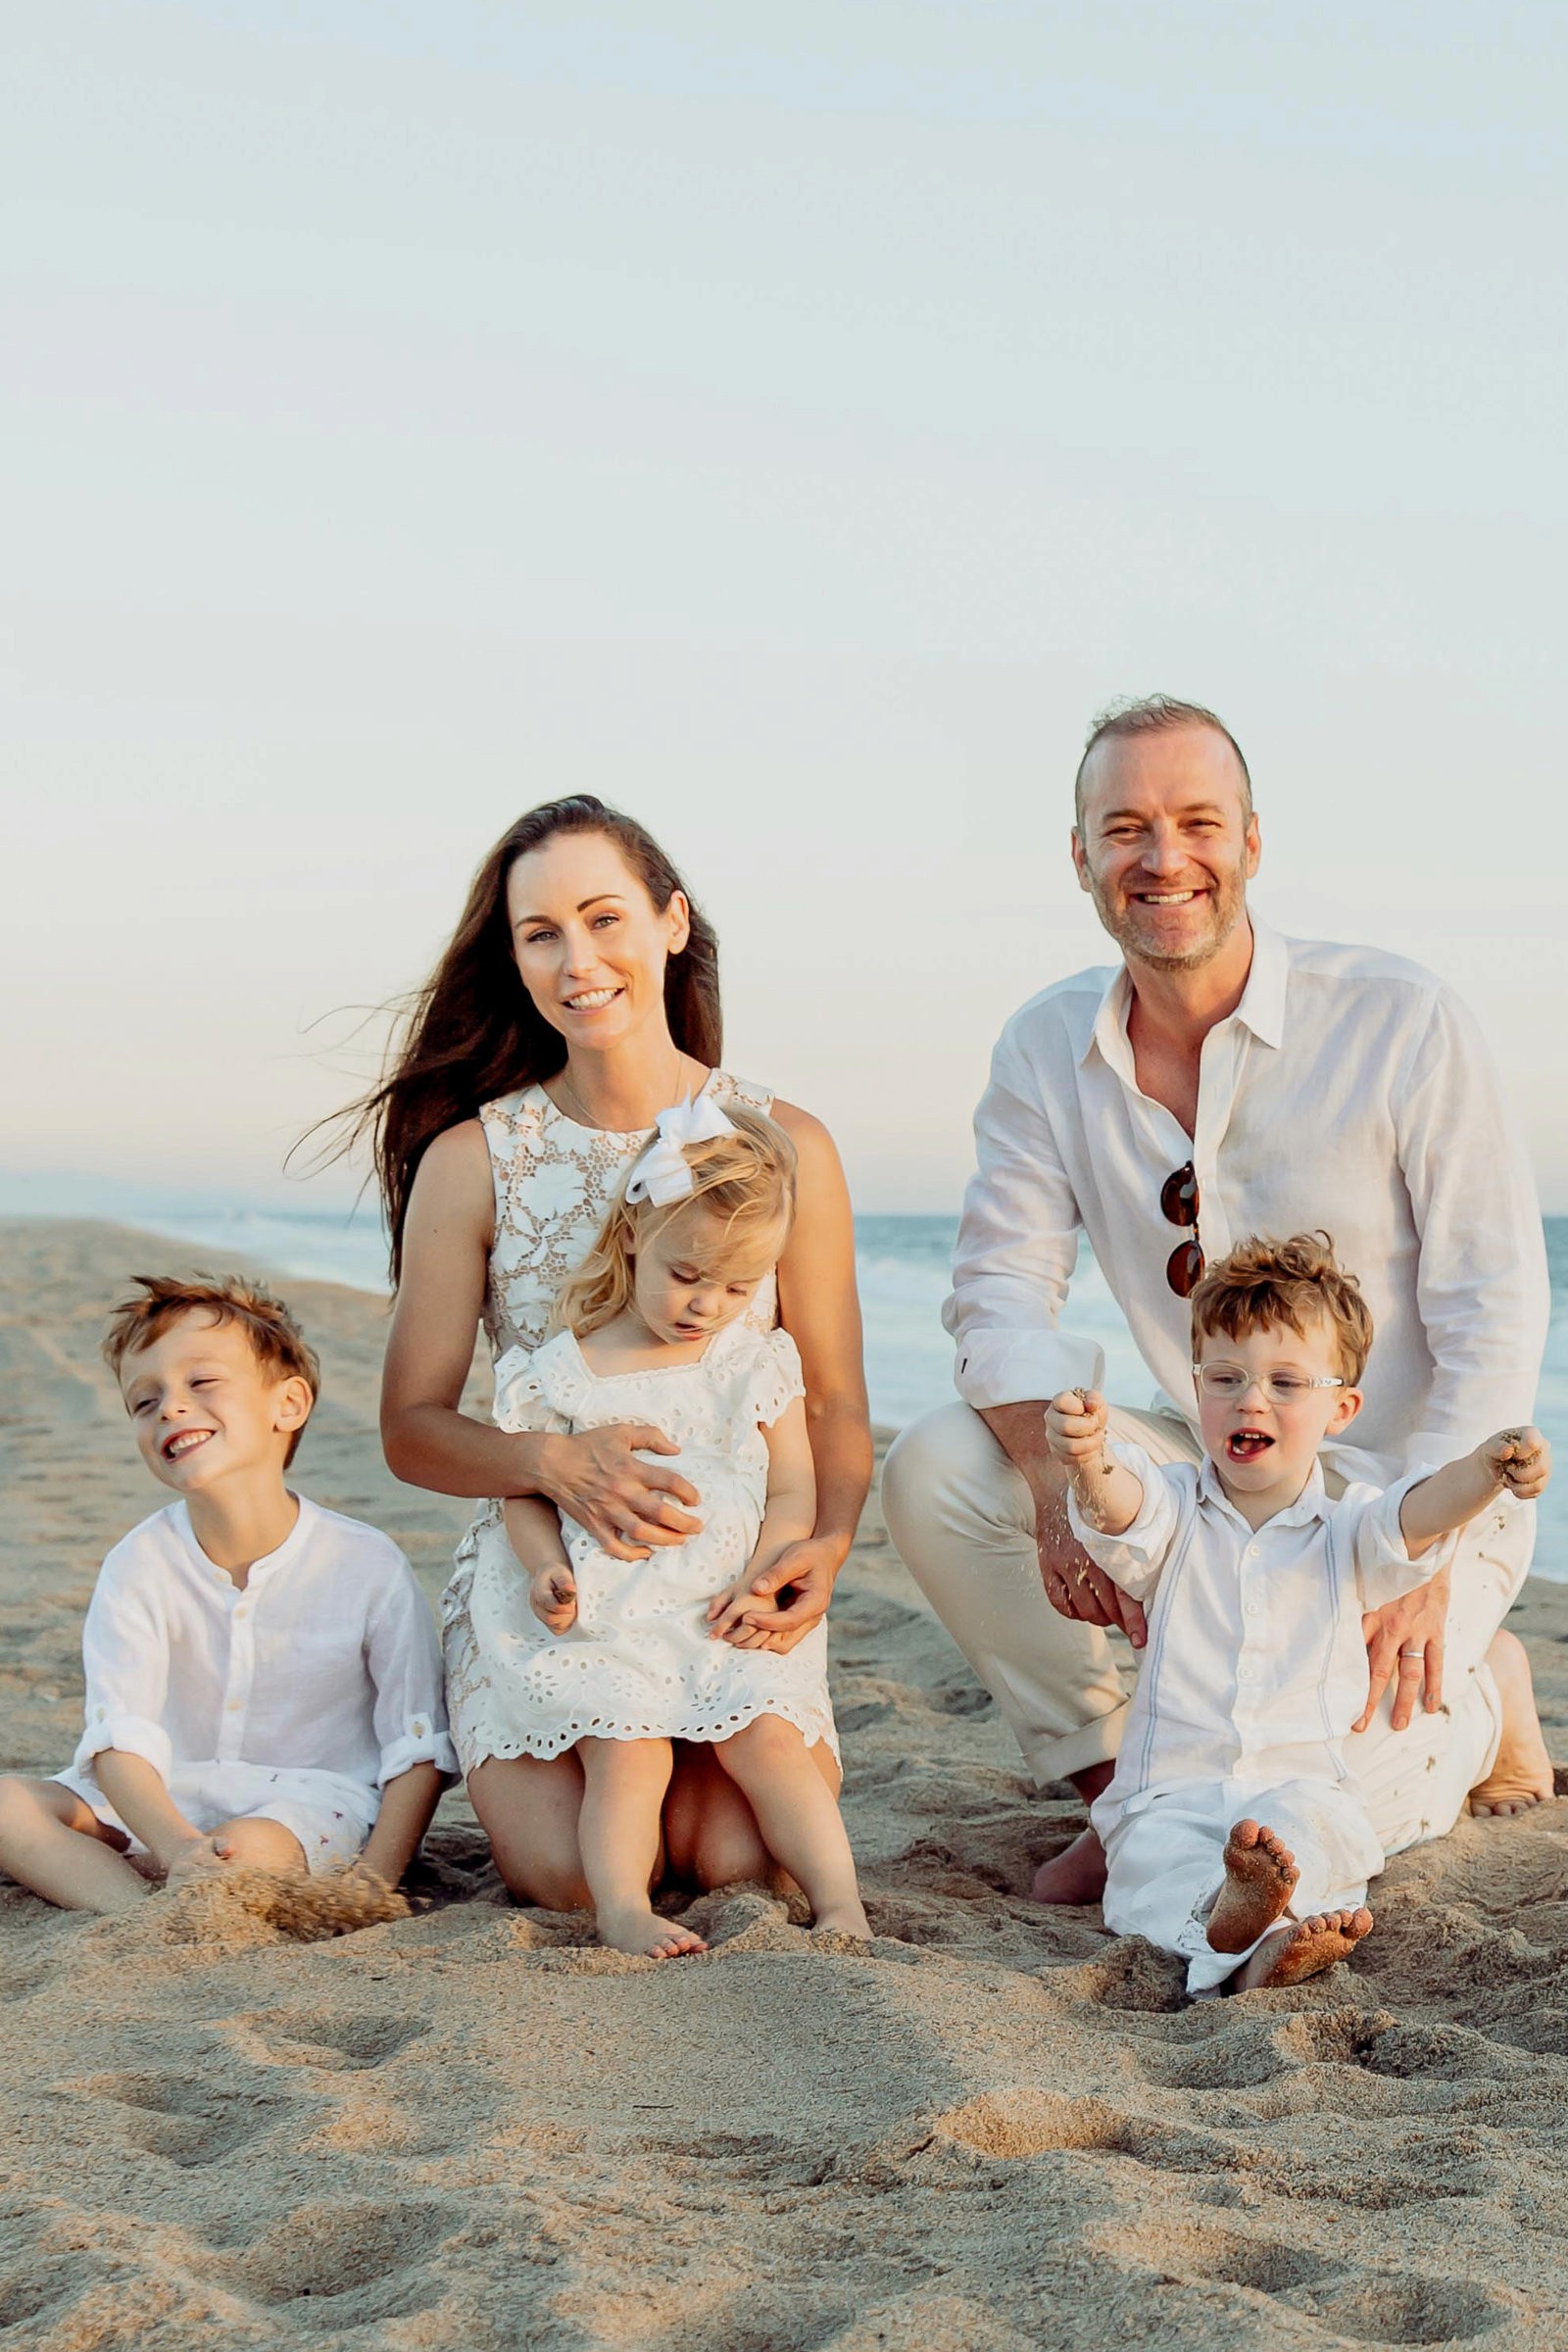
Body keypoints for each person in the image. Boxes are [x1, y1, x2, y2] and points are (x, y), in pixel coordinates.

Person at [882, 694, 1554, 1905]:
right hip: (1221, 1470)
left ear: (1251, 841)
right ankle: (1121, 1786)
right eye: (1124, 826)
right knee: (938, 1467)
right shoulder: (1044, 1047)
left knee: (1342, 1787)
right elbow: (996, 1292)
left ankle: (1487, 1690)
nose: (1162, 856)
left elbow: (1495, 1306)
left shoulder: (1400, 1019)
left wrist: (1434, 1556)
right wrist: (1049, 1485)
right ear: (1081, 857)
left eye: (1197, 821)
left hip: (1410, 1495)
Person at [355, 796, 871, 1908]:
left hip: (725, 1571)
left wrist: (821, 1548)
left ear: (670, 923)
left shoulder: (788, 1144)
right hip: (557, 1584)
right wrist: (554, 1465)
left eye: (603, 919)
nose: (577, 960)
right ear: (516, 959)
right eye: (541, 934)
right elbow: (411, 1429)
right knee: (577, 1880)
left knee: (743, 1864)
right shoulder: (473, 1158)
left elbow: (828, 1403)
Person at [1046, 1234, 1550, 1994]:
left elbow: (1419, 1516)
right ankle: (1234, 1928)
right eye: (1226, 1378)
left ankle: (1260, 1942)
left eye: (1286, 1382)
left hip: (1300, 1782)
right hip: (1172, 1791)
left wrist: (1485, 1470)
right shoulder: (1175, 1508)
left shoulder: (1351, 1528)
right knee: (1150, 1865)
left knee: (1319, 1834)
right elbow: (1121, 1509)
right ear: (1197, 1392)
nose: (1251, 1399)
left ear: (1341, 1408)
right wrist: (1087, 1460)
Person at [486, 1099, 867, 1956]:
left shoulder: (750, 1360)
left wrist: (768, 1577)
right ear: (633, 1238)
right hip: (616, 1615)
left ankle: (841, 1901)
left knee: (767, 1739)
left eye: (738, 1287)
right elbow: (523, 1489)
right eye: (688, 1276)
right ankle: (622, 1907)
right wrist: (545, 1566)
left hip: (726, 1606)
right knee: (627, 1749)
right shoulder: (564, 1371)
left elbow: (792, 1489)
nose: (707, 1305)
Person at [0, 1276, 455, 1913]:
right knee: (7, 1808)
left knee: (243, 1853)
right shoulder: (138, 1562)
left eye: (201, 1382)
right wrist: (176, 1846)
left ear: (288, 1404)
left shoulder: (366, 1563)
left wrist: (371, 1883)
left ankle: (187, 1897)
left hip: (304, 1807)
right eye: (144, 1400)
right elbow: (118, 1738)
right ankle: (136, 1918)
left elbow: (417, 1745)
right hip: (158, 1801)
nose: (170, 1407)